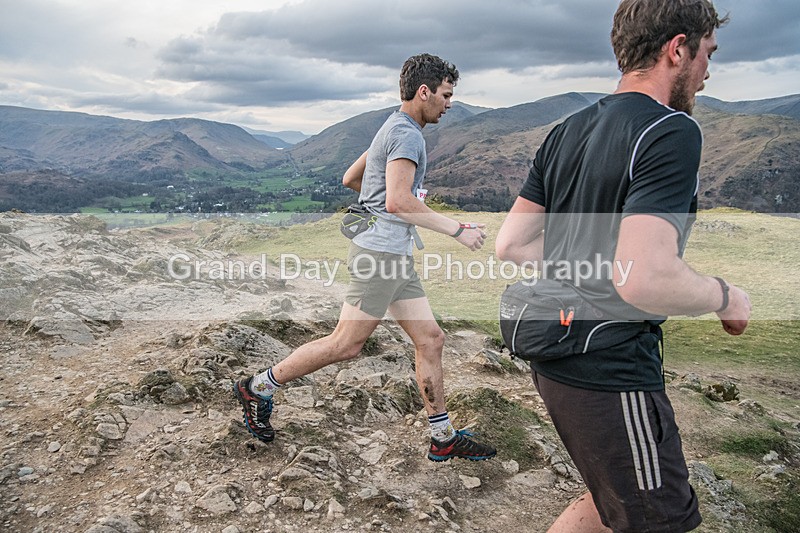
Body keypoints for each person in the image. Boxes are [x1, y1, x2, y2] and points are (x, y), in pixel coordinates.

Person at [495, 1, 750, 531]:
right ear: (677, 49)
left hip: (554, 353)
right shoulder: (671, 130)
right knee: (661, 521)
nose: (708, 72)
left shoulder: (566, 129)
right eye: (707, 54)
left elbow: (513, 245)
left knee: (610, 498)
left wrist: (601, 263)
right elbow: (647, 278)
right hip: (610, 364)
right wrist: (726, 297)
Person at [234, 53, 496, 462]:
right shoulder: (407, 135)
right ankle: (258, 387)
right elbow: (397, 201)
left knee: (431, 339)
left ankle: (441, 436)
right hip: (379, 255)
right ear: (424, 91)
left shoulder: (392, 125)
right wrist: (458, 230)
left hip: (393, 254)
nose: (449, 104)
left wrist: (376, 208)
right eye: (446, 95)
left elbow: (351, 179)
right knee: (345, 344)